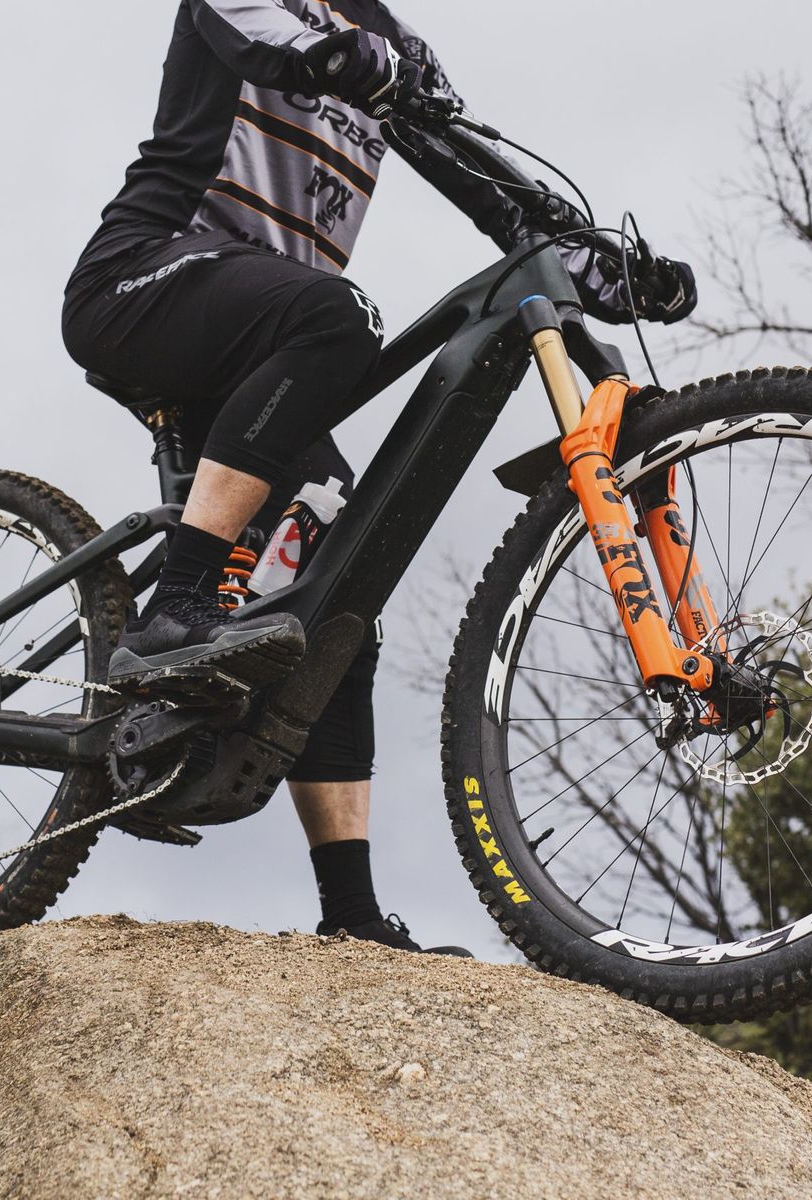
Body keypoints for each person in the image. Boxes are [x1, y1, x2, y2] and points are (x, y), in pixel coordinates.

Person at [61, 0, 695, 956]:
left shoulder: (393, 42)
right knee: (340, 317)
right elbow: (260, 38)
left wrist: (587, 255)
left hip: (260, 345)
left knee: (335, 588)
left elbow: (482, 177)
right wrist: (348, 55)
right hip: (143, 278)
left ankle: (351, 914)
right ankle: (172, 609)